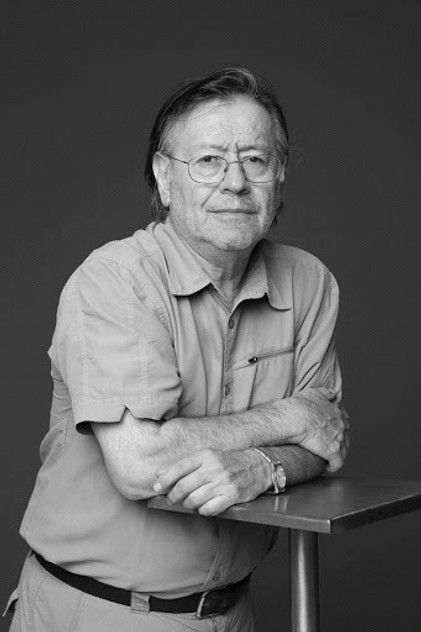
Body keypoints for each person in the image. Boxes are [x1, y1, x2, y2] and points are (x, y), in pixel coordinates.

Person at [5, 67, 349, 631]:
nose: (235, 182)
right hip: (102, 612)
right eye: (209, 160)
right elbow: (140, 463)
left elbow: (326, 441)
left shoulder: (309, 282)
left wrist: (263, 466)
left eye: (255, 160)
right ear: (165, 179)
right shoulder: (116, 280)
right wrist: (289, 418)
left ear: (280, 175)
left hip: (232, 613)